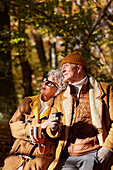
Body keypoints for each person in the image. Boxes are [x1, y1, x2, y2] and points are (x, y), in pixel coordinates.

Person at [46, 51, 113, 170]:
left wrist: (108, 147)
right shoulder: (60, 97)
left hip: (94, 154)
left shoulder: (105, 90)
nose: (62, 70)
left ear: (78, 68)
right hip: (67, 155)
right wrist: (52, 128)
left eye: (66, 66)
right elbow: (53, 132)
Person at [2, 69, 67, 170]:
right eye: (45, 80)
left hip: (39, 160)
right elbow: (14, 125)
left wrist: (44, 141)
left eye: (49, 83)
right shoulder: (28, 101)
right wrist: (33, 129)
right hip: (16, 157)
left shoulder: (60, 108)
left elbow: (59, 137)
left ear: (58, 90)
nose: (44, 83)